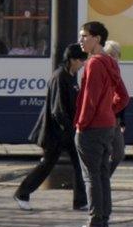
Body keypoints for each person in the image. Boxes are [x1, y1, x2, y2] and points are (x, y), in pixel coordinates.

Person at [13, 43, 88, 211]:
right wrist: (73, 130)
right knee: (47, 165)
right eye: (81, 61)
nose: (83, 64)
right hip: (56, 132)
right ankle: (21, 193)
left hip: (65, 131)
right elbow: (58, 110)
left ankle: (80, 201)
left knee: (79, 163)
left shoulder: (69, 76)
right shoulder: (59, 77)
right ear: (72, 60)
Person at [72, 21, 129, 227]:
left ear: (97, 39)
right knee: (103, 174)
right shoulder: (110, 62)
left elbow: (89, 99)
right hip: (108, 126)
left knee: (91, 176)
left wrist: (81, 124)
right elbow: (123, 96)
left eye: (85, 36)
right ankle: (103, 221)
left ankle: (95, 223)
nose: (81, 41)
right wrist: (110, 110)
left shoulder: (93, 64)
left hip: (92, 127)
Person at [103, 40, 127, 175]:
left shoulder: (116, 71)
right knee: (104, 153)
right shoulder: (102, 71)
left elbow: (122, 97)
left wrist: (122, 120)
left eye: (116, 55)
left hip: (116, 120)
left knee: (118, 154)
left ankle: (105, 177)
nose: (113, 57)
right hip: (105, 119)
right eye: (110, 54)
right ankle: (102, 181)